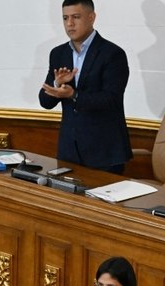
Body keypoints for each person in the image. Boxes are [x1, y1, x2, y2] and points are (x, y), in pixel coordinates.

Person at [39, 0, 132, 175]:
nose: (69, 24)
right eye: (65, 18)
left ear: (91, 17)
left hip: (104, 152)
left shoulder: (113, 54)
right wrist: (57, 85)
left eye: (76, 17)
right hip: (69, 151)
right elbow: (45, 102)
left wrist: (73, 95)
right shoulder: (58, 54)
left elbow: (111, 100)